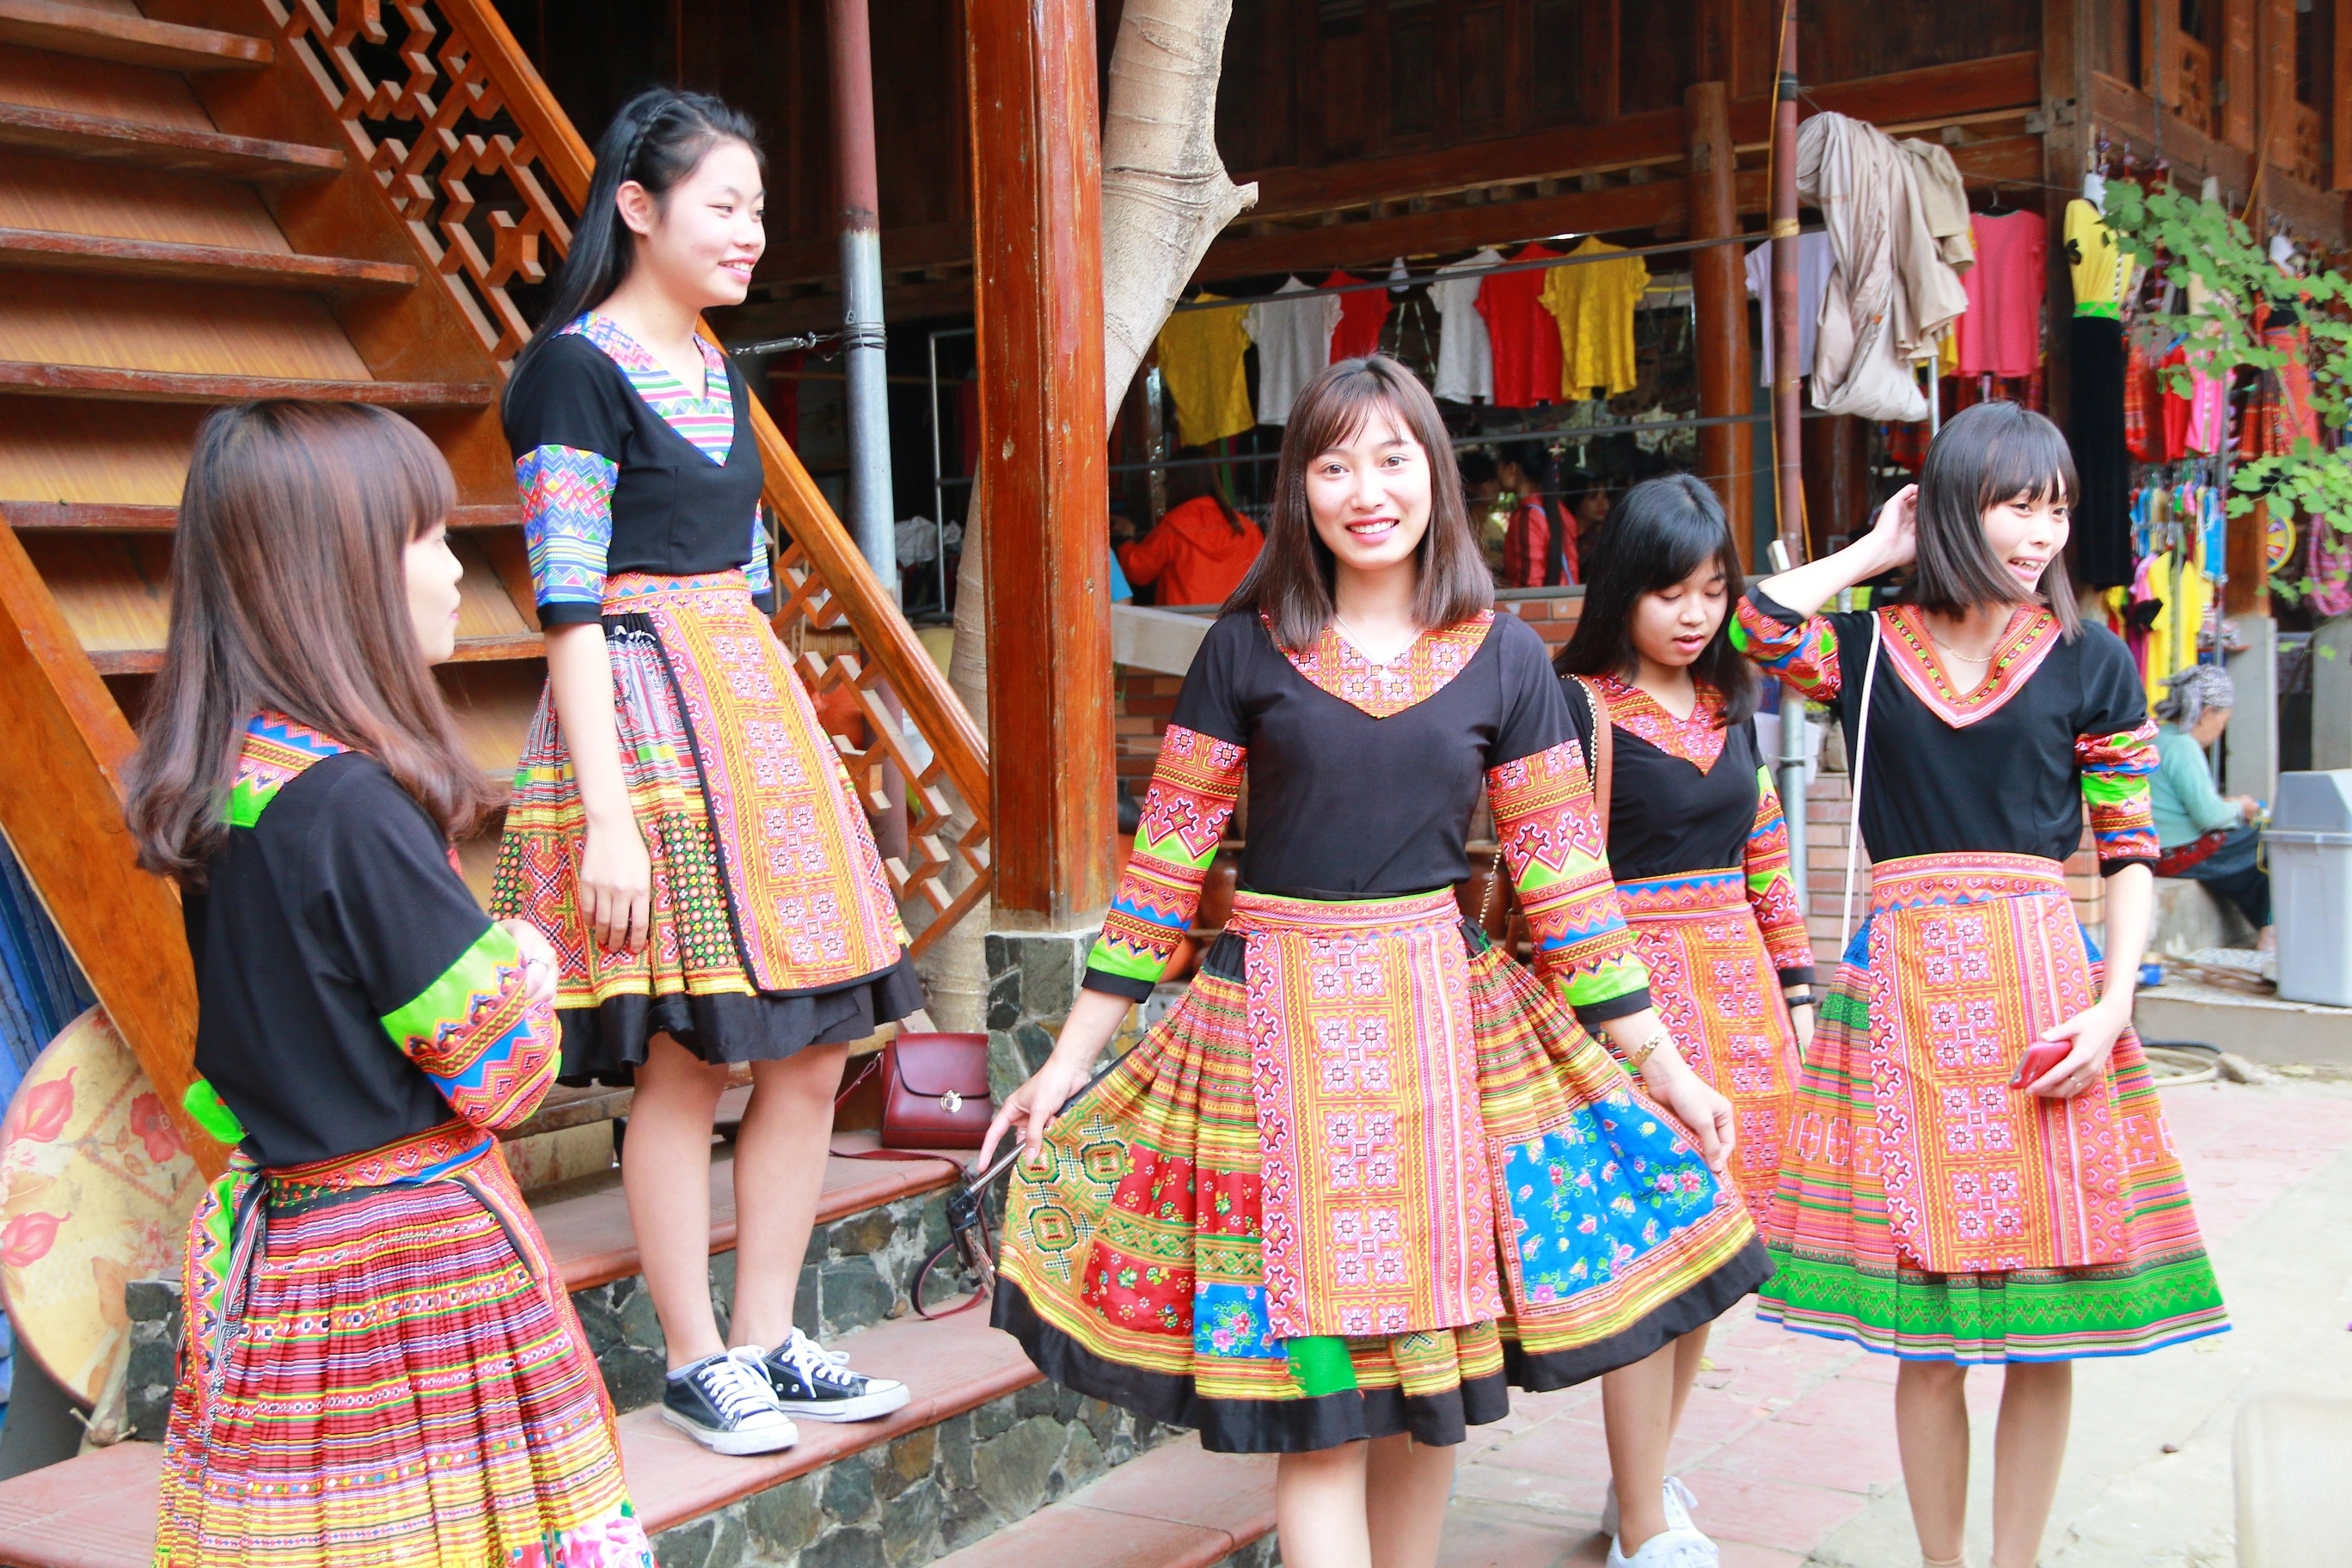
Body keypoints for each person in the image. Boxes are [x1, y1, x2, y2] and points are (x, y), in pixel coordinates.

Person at [981, 356, 1769, 1568]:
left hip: (1440, 1067)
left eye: (1394, 457)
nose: (1367, 489)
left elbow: (1566, 885)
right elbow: (1161, 876)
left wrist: (1661, 1065)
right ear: (1299, 488)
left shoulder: (1506, 657)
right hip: (1267, 1062)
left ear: (1435, 478)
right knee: (1321, 1406)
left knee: (1428, 1395)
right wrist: (1066, 1065)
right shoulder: (1242, 653)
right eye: (1334, 462)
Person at [132, 402, 651, 1565]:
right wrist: (525, 955)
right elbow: (501, 1070)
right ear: (347, 570)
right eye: (428, 536)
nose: (457, 568)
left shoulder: (233, 783)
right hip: (417, 1272)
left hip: (294, 1263)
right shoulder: (351, 804)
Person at [1730, 401, 2227, 1568]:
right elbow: (1755, 623)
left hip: (2044, 990)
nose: (2042, 532)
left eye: (2056, 507)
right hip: (1900, 998)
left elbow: (2128, 848)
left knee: (2045, 1324)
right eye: (2016, 502)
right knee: (1929, 1334)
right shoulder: (1864, 647)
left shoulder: (2094, 662)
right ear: (1953, 506)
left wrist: (2113, 1007)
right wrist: (1871, 552)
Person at [493, 87, 916, 1455]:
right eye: (725, 206)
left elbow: (743, 575)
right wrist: (604, 820)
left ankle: (770, 1335)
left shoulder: (720, 370)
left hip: (748, 710)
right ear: (637, 206)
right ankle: (693, 1357)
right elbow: (565, 601)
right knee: (688, 1056)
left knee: (811, 1046)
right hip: (641, 723)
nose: (751, 233)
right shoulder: (573, 368)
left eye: (758, 209)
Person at [1553, 473, 1816, 1565]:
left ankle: (1641, 1486)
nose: (1695, 612)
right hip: (1633, 1019)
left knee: (1712, 1262)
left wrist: (1800, 1000)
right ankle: (1645, 1527)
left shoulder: (1730, 707)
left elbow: (1767, 865)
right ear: (1623, 590)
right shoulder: (1573, 710)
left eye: (1712, 588)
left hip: (1746, 1014)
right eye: (1671, 590)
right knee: (1648, 1267)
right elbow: (1551, 877)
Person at [2149, 664, 2271, 946]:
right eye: (2222, 722)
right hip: (2177, 852)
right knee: (2268, 842)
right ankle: (2271, 932)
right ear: (2206, 714)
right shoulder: (2182, 745)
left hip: (2155, 849)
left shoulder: (2156, 736)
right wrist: (2241, 808)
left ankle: (2269, 929)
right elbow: (2209, 817)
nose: (2220, 731)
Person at [1118, 450, 1265, 607]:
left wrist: (1126, 538)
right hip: (1237, 624)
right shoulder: (1248, 529)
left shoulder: (1173, 527)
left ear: (1175, 484)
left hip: (1185, 625)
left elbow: (1137, 571)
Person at [1498, 439, 1573, 587]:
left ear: (1512, 468)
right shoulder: (1559, 509)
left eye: (1499, 464)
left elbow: (1530, 583)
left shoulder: (1528, 515)